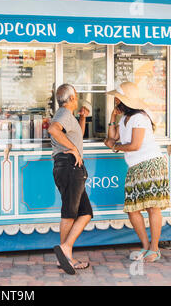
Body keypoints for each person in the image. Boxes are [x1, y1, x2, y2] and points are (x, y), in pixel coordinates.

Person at [104, 82, 170, 263]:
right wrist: (112, 116)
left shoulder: (140, 117)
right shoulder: (125, 117)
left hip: (150, 165)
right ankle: (146, 246)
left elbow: (134, 145)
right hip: (135, 167)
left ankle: (154, 249)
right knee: (133, 210)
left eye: (117, 98)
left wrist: (115, 147)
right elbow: (112, 136)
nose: (115, 100)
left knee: (152, 207)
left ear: (125, 100)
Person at [48, 84, 93, 275]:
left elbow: (77, 137)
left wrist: (82, 118)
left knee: (84, 212)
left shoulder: (68, 116)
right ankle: (66, 252)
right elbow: (53, 130)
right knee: (70, 212)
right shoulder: (63, 114)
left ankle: (65, 251)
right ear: (72, 98)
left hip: (69, 167)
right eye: (77, 95)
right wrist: (74, 150)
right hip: (69, 166)